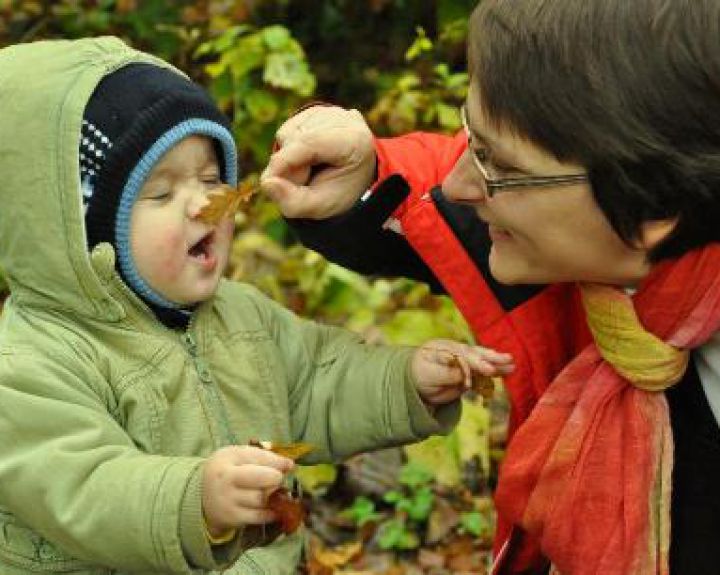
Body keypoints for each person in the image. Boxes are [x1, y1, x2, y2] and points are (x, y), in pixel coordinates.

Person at [0, 37, 515, 575]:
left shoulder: (239, 315)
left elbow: (315, 380)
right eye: (160, 194)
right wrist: (195, 500)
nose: (204, 203)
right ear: (77, 234)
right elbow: (84, 487)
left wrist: (405, 379)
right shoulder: (31, 365)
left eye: (210, 179)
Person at [261, 1, 720, 574]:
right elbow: (439, 194)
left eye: (491, 160)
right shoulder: (609, 225)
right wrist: (368, 174)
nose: (458, 185)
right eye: (471, 137)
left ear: (655, 206)